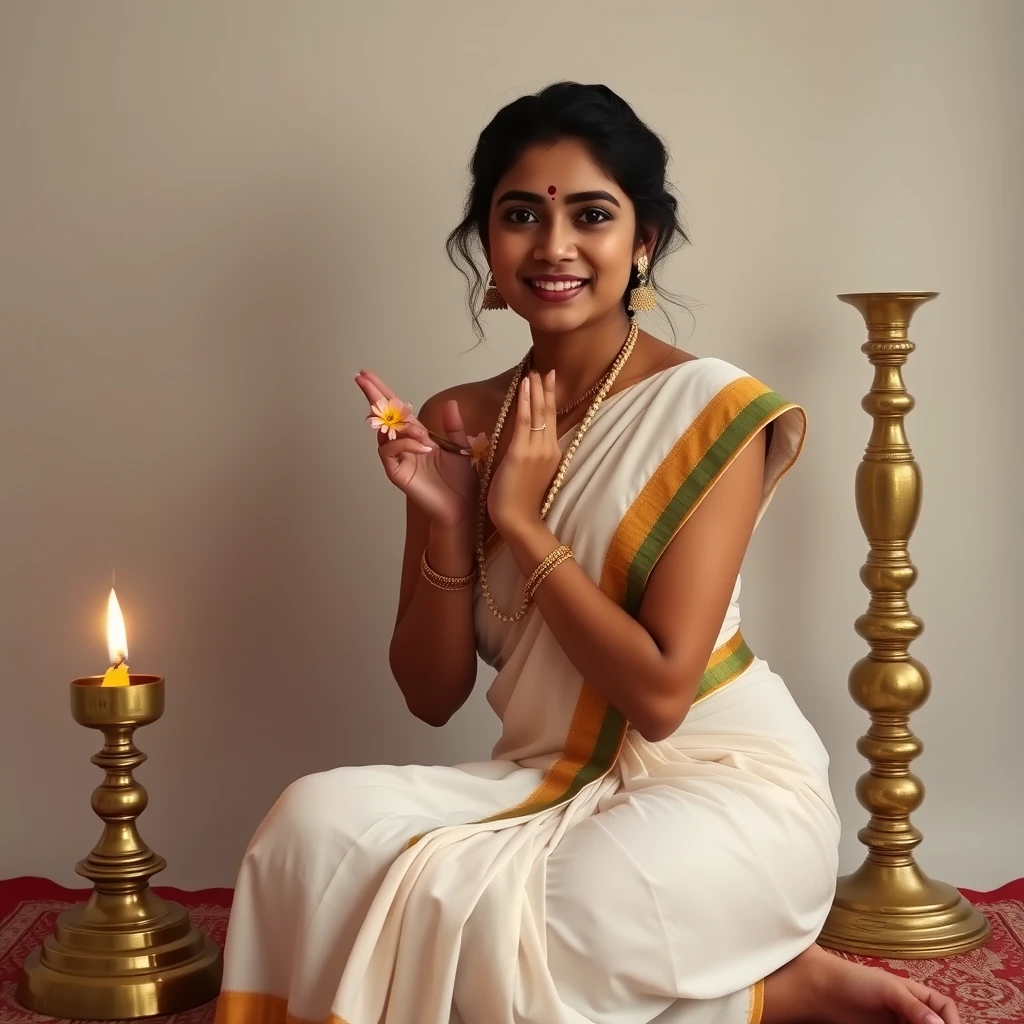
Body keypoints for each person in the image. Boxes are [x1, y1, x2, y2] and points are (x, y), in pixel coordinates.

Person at [214, 83, 961, 1024]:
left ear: (641, 241)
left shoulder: (710, 411)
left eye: (592, 215)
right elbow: (431, 693)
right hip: (545, 777)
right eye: (520, 214)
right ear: (487, 242)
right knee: (308, 828)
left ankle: (774, 980)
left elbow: (657, 699)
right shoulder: (457, 420)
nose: (554, 246)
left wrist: (522, 524)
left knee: (550, 908)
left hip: (719, 782)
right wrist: (451, 518)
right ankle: (753, 987)